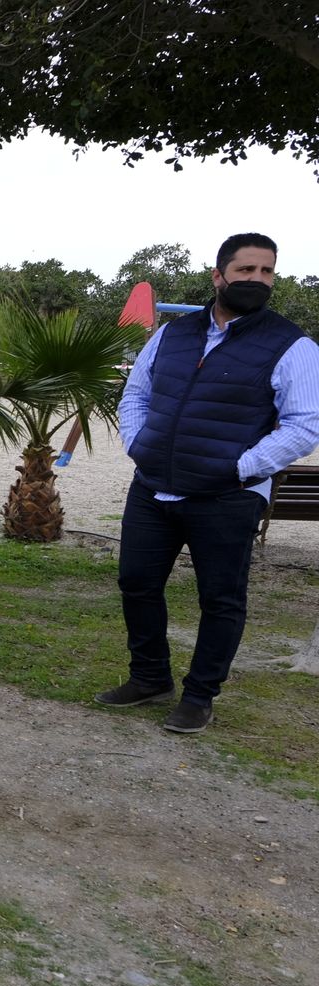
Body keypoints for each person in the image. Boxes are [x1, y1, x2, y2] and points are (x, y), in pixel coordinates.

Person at [96, 233, 319, 734]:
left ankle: (199, 696)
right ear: (219, 276)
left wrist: (239, 469)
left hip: (226, 497)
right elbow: (137, 393)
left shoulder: (292, 345)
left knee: (220, 600)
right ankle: (150, 676)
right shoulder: (172, 334)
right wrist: (139, 444)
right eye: (246, 271)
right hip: (154, 487)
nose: (257, 281)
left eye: (267, 272)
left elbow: (304, 425)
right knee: (137, 583)